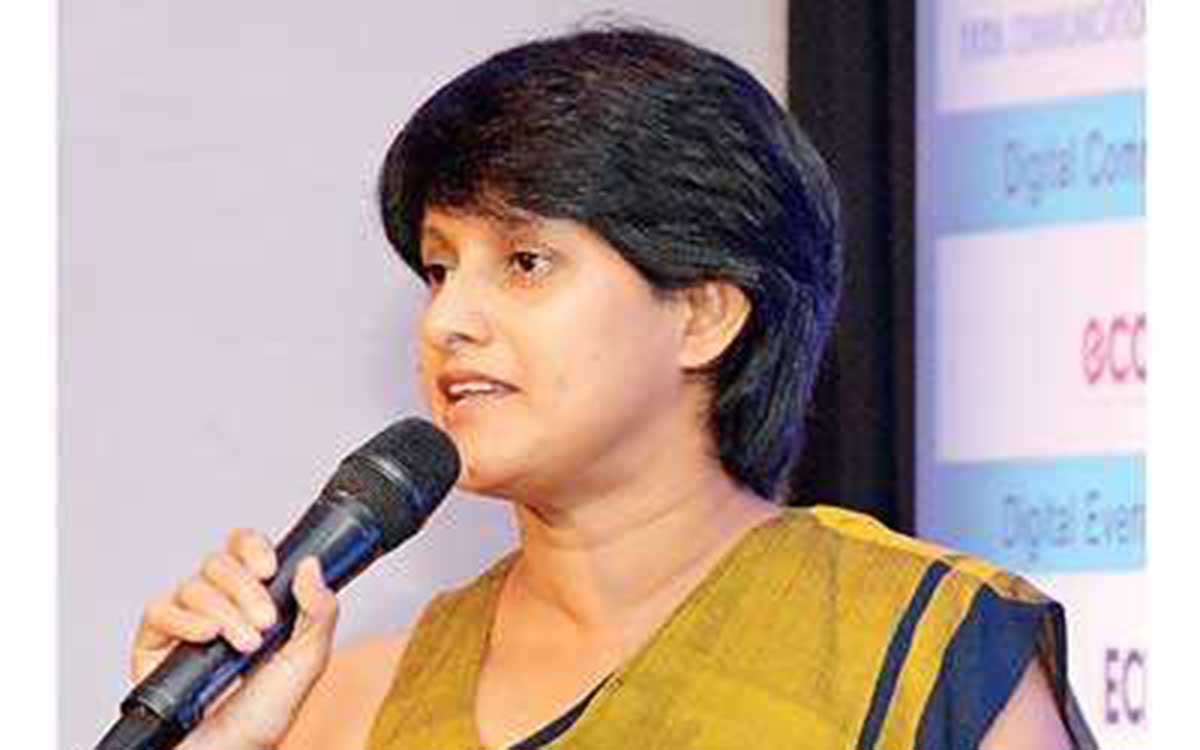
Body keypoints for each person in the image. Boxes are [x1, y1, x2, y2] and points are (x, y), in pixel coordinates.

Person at [130, 26, 1096, 750]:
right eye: (439, 268)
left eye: (525, 263)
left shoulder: (920, 647)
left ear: (704, 314)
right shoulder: (347, 705)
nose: (447, 320)